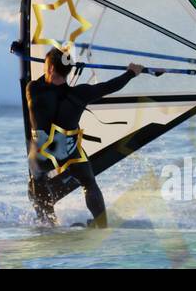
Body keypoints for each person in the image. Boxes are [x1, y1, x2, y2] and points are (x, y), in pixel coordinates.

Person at [26, 47, 163, 228]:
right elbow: (110, 86)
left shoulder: (33, 89)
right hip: (68, 150)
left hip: (44, 154)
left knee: (37, 177)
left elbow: (47, 82)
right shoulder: (81, 94)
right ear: (68, 71)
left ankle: (47, 223)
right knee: (89, 183)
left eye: (46, 66)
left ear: (50, 69)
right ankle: (101, 224)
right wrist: (131, 73)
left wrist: (62, 62)